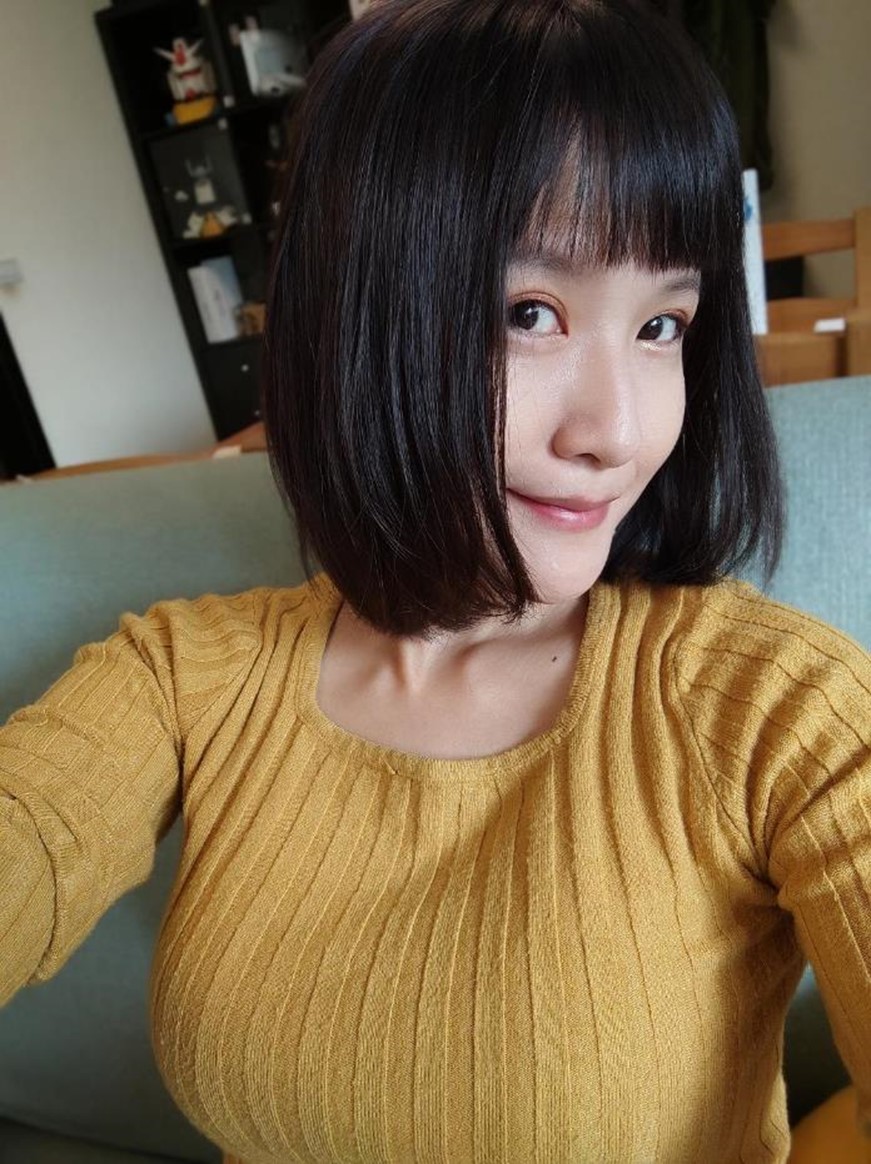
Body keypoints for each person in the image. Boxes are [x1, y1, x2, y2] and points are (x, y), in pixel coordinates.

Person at [1, 1, 869, 1161]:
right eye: (530, 313)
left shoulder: (779, 708)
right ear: (353, 320)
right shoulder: (181, 678)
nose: (619, 432)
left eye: (663, 325)